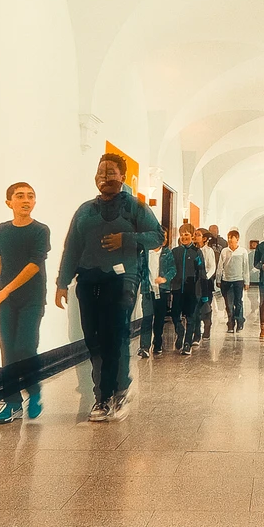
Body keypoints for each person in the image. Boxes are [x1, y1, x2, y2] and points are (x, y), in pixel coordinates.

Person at [55, 153, 164, 421]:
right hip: (89, 279)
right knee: (93, 338)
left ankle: (115, 393)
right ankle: (104, 393)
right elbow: (71, 247)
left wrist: (127, 239)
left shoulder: (136, 207)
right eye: (101, 172)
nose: (105, 177)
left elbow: (158, 237)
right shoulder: (85, 210)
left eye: (111, 172)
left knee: (115, 333)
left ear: (122, 177)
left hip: (123, 278)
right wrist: (61, 282)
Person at [0, 182, 50, 424]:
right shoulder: (1, 230)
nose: (26, 200)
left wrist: (4, 291)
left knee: (25, 346)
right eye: (20, 196)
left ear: (35, 202)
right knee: (8, 350)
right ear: (9, 203)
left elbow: (33, 266)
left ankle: (34, 392)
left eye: (31, 196)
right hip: (5, 300)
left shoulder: (40, 230)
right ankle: (12, 403)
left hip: (31, 299)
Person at [169, 223, 207, 354]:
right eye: (182, 235)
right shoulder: (175, 252)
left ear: (192, 236)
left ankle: (187, 344)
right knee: (175, 315)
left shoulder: (197, 252)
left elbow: (202, 272)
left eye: (187, 235)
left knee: (191, 317)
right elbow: (170, 269)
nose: (184, 237)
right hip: (178, 289)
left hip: (192, 290)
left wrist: (204, 292)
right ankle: (180, 331)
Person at [138, 230, 176, 358]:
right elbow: (139, 270)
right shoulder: (144, 253)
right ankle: (144, 346)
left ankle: (158, 343)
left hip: (162, 290)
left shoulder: (167, 253)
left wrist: (164, 279)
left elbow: (173, 269)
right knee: (147, 317)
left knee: (159, 319)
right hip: (147, 290)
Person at [217, 229, 249, 332]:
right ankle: (230, 324)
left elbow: (246, 267)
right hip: (226, 280)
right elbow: (220, 266)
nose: (230, 241)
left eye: (232, 239)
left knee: (238, 302)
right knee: (228, 303)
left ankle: (239, 321)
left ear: (237, 239)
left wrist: (246, 281)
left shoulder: (243, 251)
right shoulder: (224, 251)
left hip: (238, 280)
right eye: (229, 239)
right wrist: (219, 278)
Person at [191, 227, 217, 344]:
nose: (195, 237)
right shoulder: (191, 250)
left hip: (206, 282)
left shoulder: (209, 251)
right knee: (194, 308)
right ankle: (196, 334)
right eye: (194, 234)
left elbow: (212, 266)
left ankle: (207, 327)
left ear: (204, 238)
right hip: (193, 283)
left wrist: (205, 277)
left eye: (198, 235)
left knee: (205, 306)